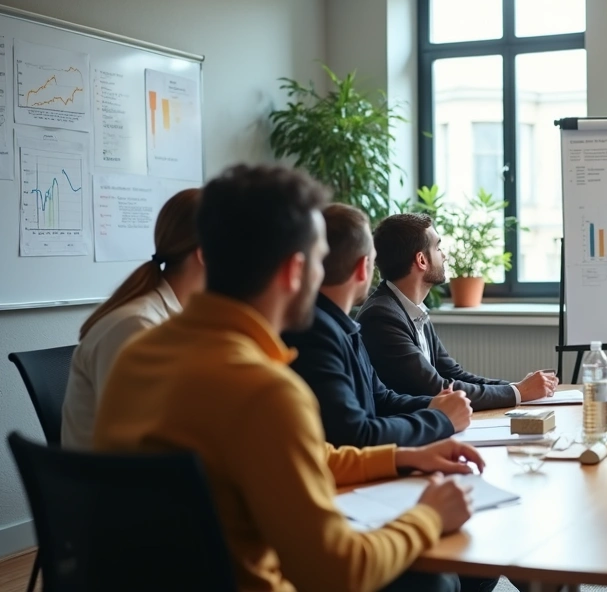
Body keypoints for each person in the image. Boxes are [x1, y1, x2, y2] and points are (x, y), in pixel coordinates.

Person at [94, 164, 483, 592]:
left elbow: (300, 455)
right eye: (319, 262)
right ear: (294, 271)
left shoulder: (137, 356)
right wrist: (429, 515)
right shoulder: (264, 391)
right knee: (441, 580)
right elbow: (338, 572)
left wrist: (401, 456)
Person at [284, 203, 474, 448]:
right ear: (363, 268)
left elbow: (381, 399)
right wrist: (440, 419)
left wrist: (433, 405)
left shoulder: (344, 327)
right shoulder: (317, 333)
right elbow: (356, 435)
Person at [357, 212, 557, 411]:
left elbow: (455, 375)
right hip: (408, 435)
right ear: (421, 260)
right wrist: (520, 392)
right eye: (438, 247)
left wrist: (516, 388)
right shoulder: (382, 317)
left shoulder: (413, 309)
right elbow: (437, 388)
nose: (445, 255)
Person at [62, 188, 204, 450]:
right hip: (114, 485)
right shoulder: (136, 327)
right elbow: (138, 443)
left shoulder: (183, 317)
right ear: (204, 255)